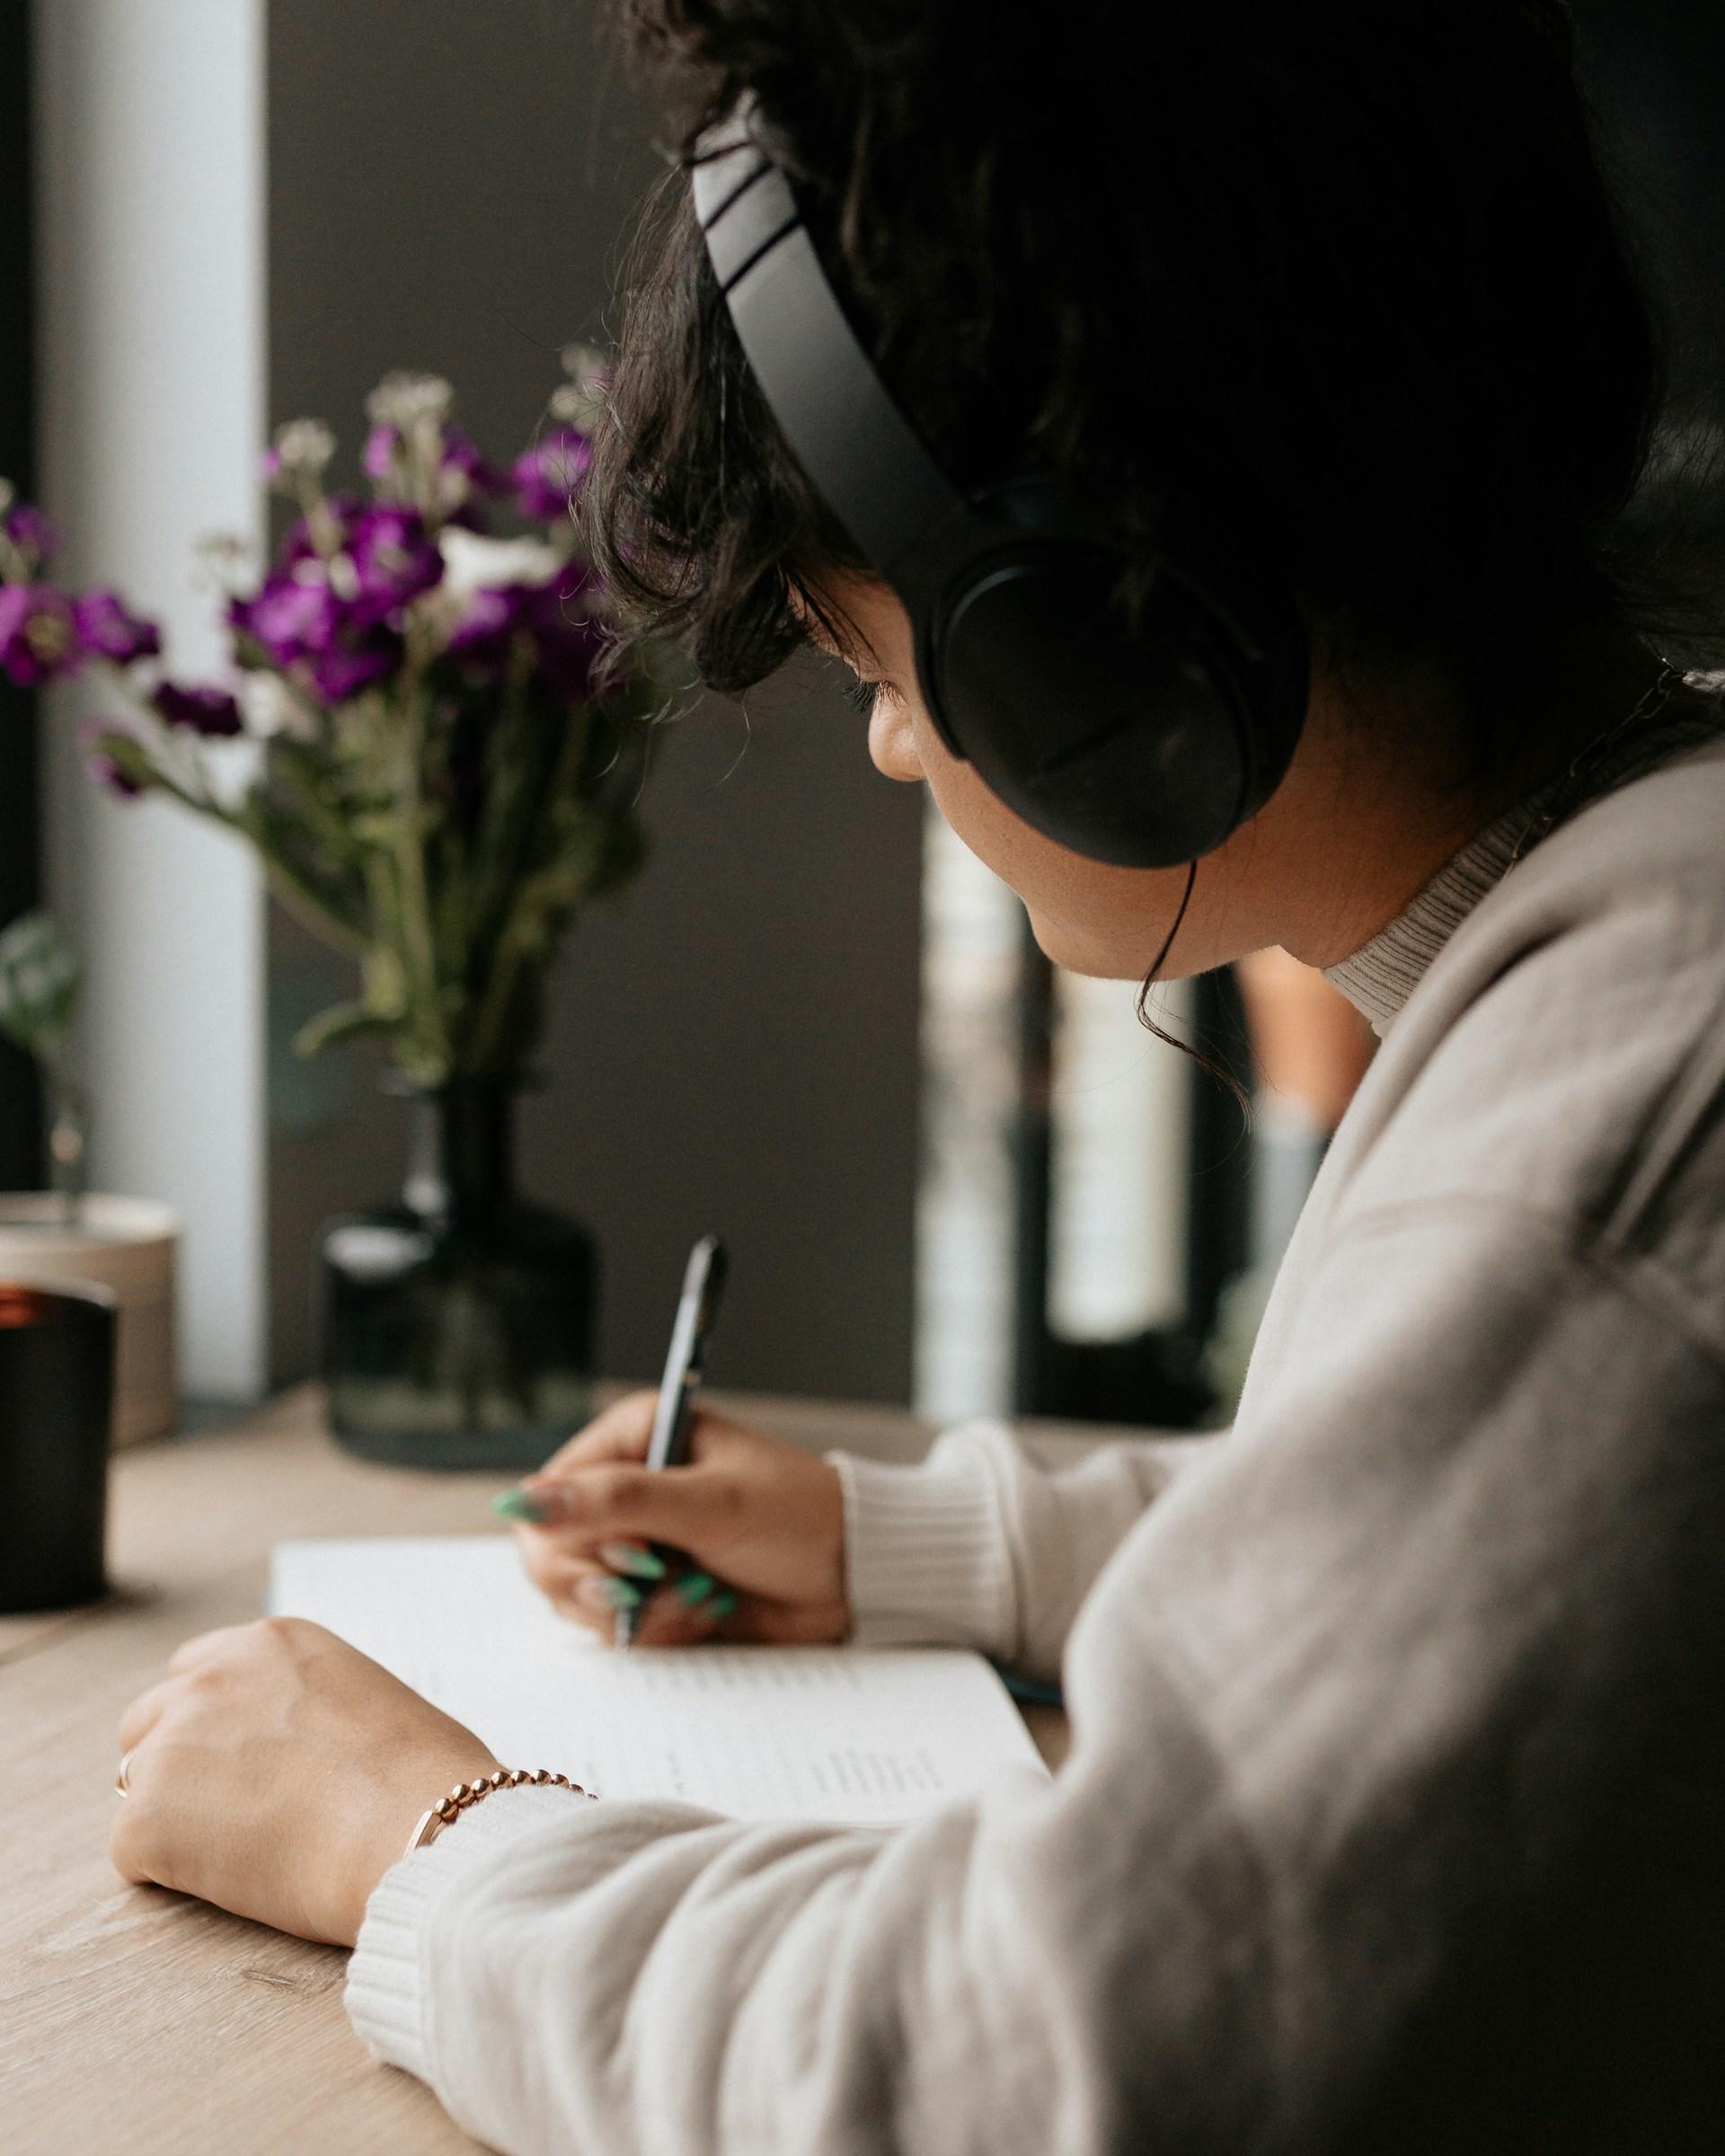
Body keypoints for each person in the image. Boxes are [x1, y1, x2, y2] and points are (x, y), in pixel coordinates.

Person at [111, 4, 1725, 2150]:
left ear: (1090, 650)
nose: (890, 747)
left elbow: (1054, 2070)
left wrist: (428, 1839)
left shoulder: (1618, 1124)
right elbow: (1508, 1553)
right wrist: (945, 1545)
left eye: (888, 666)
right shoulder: (1639, 931)